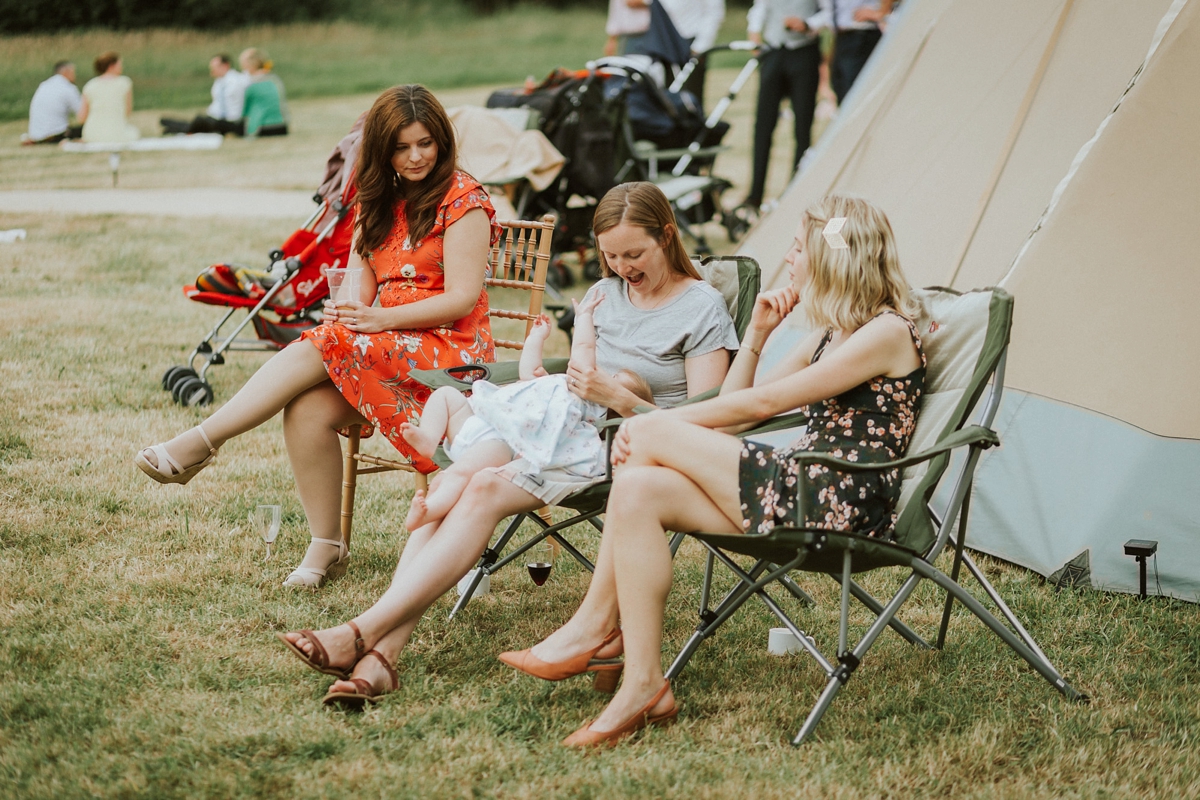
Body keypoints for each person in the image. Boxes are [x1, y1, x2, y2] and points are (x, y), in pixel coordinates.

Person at [275, 181, 738, 708]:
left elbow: (705, 427)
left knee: (473, 488)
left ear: (668, 236)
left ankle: (362, 637)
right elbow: (577, 373)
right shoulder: (605, 295)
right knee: (461, 487)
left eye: (634, 254)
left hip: (630, 452)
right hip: (561, 432)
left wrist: (619, 399)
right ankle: (379, 660)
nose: (622, 268)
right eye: (609, 256)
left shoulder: (701, 308)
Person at [501, 195, 927, 747]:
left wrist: (656, 426)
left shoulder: (885, 332)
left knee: (650, 437)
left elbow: (755, 409)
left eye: (799, 248)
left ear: (831, 259)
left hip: (838, 501)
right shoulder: (830, 334)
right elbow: (733, 413)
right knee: (637, 489)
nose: (791, 258)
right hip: (801, 487)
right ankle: (644, 684)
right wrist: (756, 335)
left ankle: (593, 629)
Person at [135, 84, 499, 588]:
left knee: (329, 340)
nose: (415, 157)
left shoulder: (464, 199)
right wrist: (348, 308)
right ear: (382, 151)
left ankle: (200, 441)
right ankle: (326, 545)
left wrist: (373, 322)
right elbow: (358, 293)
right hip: (386, 347)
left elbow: (462, 297)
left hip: (450, 353)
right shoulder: (377, 203)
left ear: (441, 142)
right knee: (307, 407)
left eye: (425, 143)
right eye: (401, 146)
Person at [400, 301, 654, 532]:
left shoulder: (582, 409)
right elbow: (527, 373)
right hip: (480, 419)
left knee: (460, 473)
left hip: (498, 442)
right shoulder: (563, 391)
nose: (604, 379)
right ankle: (429, 438)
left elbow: (584, 348)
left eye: (614, 383)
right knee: (446, 395)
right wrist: (536, 339)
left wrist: (585, 316)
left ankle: (429, 511)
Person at [743, 0, 824, 211]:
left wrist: (808, 24)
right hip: (773, 52)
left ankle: (797, 191)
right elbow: (759, 9)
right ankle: (754, 195)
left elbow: (829, 13)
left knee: (803, 126)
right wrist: (755, 36)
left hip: (804, 52)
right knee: (763, 126)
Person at [628, 0, 725, 105]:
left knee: (691, 95)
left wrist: (701, 45)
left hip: (691, 43)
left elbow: (714, 12)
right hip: (664, 43)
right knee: (665, 95)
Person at [810, 0, 894, 104]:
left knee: (856, 96)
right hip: (840, 38)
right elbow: (827, 11)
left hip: (862, 36)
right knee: (841, 91)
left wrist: (881, 13)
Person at [160, 54, 250, 136]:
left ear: (225, 65)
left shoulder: (238, 80)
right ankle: (171, 126)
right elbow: (217, 104)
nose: (212, 70)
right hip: (217, 118)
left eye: (215, 67)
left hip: (231, 120)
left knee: (200, 121)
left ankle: (175, 129)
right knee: (200, 120)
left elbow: (250, 82)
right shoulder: (218, 83)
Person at [79, 52, 139, 143]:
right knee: (134, 132)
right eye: (119, 64)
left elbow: (81, 118)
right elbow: (128, 112)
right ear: (111, 66)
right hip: (118, 133)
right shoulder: (124, 82)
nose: (122, 67)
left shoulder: (89, 86)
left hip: (92, 134)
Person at [24, 61, 82, 145]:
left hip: (36, 135)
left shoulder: (44, 85)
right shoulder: (68, 87)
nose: (75, 76)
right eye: (73, 72)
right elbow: (81, 114)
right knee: (85, 129)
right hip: (56, 134)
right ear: (66, 72)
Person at [239, 48, 288, 137]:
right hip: (282, 126)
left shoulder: (250, 83)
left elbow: (243, 111)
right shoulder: (275, 79)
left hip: (262, 128)